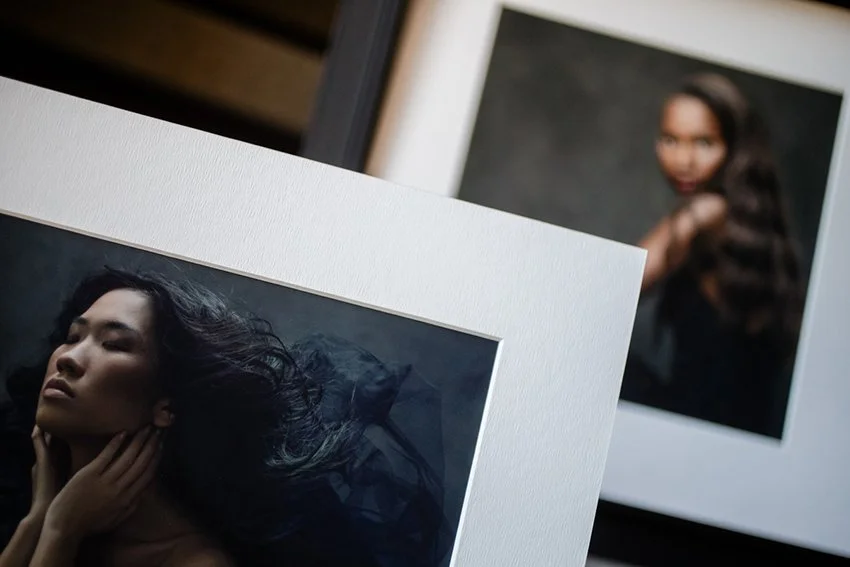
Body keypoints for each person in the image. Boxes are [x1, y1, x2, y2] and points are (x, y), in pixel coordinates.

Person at [0, 268, 449, 566]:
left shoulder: (195, 562)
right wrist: (40, 520)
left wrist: (59, 532)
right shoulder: (35, 509)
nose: (69, 359)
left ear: (167, 405)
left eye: (114, 344)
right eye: (72, 335)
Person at [621, 73, 804, 436]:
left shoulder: (705, 213)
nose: (683, 159)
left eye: (703, 142)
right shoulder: (752, 222)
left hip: (706, 423)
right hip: (735, 426)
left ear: (735, 147)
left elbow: (617, 285)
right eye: (670, 140)